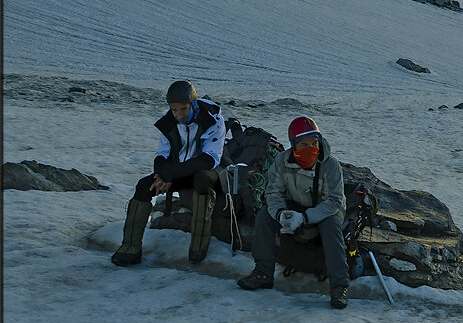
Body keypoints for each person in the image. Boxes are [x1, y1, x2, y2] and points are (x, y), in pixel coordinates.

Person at [236, 116, 350, 309]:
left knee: (331, 225)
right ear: (294, 145)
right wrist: (281, 213)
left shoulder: (330, 165)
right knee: (265, 215)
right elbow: (272, 192)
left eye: (314, 142)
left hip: (327, 210)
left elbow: (334, 202)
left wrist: (305, 218)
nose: (310, 148)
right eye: (304, 144)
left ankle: (339, 285)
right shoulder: (282, 161)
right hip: (296, 204)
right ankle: (263, 272)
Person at [111, 80, 227, 266]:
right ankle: (130, 247)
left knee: (201, 180)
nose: (179, 115)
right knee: (143, 186)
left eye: (183, 109)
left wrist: (170, 174)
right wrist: (162, 174)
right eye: (174, 110)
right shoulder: (168, 123)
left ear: (193, 104)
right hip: (179, 171)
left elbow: (209, 159)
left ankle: (199, 244)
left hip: (210, 171)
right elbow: (162, 155)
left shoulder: (213, 119)